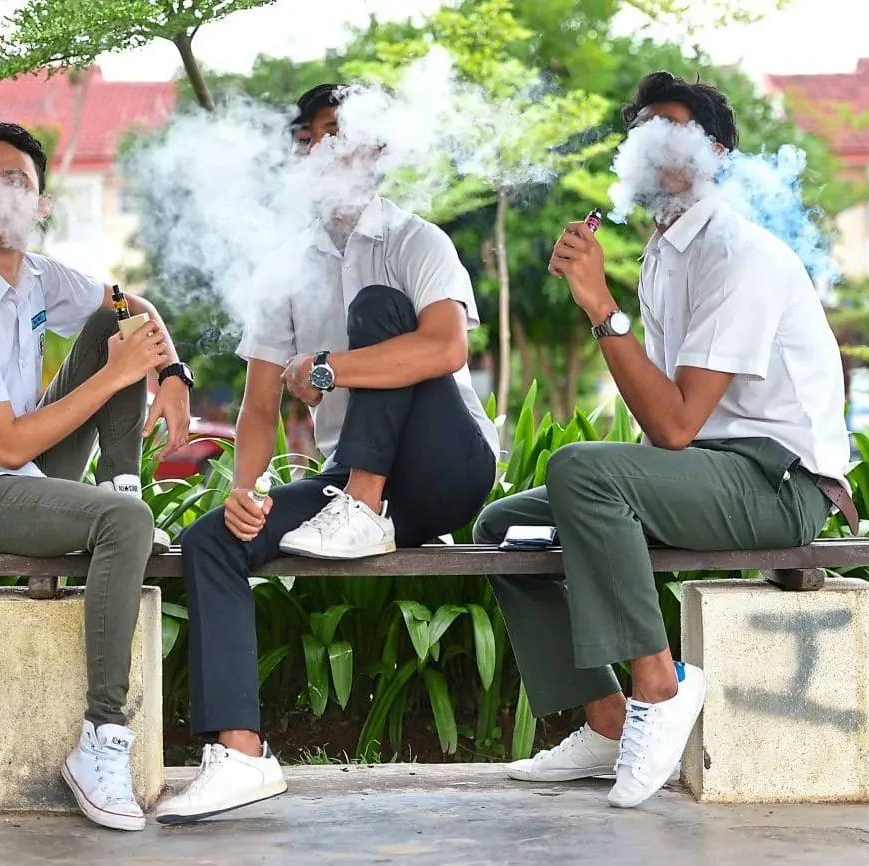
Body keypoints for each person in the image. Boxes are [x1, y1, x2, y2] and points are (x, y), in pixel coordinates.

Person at [474, 71, 854, 809]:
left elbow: (673, 424)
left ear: (715, 153)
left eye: (671, 132)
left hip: (781, 486)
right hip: (715, 472)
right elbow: (676, 432)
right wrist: (609, 303)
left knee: (580, 468)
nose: (651, 146)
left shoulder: (737, 254)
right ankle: (610, 723)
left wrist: (599, 304)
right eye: (641, 131)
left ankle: (662, 685)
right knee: (505, 526)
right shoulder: (664, 252)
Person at [156, 83, 500, 824]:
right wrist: (245, 494)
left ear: (378, 149)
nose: (324, 149)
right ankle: (241, 753)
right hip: (345, 488)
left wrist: (331, 367)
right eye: (309, 139)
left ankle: (367, 507)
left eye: (339, 133)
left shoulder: (417, 241)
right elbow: (256, 408)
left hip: (446, 467)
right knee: (211, 540)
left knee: (379, 309)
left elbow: (445, 346)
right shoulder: (284, 266)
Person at [0, 121, 194, 832]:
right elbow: (2, 446)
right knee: (124, 524)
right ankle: (101, 741)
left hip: (24, 466)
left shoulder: (36, 276)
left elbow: (128, 305)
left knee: (109, 321)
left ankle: (120, 487)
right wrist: (124, 372)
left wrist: (170, 370)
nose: (1, 196)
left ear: (42, 204)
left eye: (18, 181)